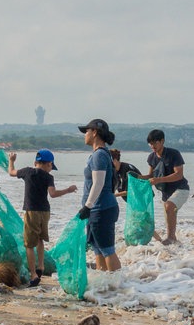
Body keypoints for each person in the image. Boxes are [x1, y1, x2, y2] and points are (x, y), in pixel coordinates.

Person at [7, 149, 76, 287]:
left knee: (28, 244)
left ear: (35, 162)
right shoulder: (48, 177)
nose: (51, 170)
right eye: (51, 166)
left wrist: (11, 161)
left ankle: (33, 275)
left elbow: (11, 172)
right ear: (49, 164)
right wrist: (68, 190)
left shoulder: (27, 171)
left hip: (32, 211)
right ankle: (41, 267)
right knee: (40, 239)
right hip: (45, 212)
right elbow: (53, 194)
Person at [78, 119, 121, 272]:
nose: (85, 135)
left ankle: (118, 288)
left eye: (87, 131)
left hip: (101, 209)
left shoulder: (99, 155)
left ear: (94, 132)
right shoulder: (98, 154)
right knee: (97, 249)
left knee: (107, 249)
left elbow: (99, 183)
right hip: (97, 209)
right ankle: (104, 286)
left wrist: (87, 206)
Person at [145, 128, 190, 244]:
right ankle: (173, 240)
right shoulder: (151, 157)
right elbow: (150, 175)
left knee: (169, 206)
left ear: (162, 141)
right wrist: (135, 178)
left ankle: (170, 238)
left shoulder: (173, 154)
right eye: (150, 143)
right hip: (166, 193)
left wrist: (158, 179)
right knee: (169, 211)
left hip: (181, 189)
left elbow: (179, 175)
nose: (152, 145)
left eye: (155, 142)